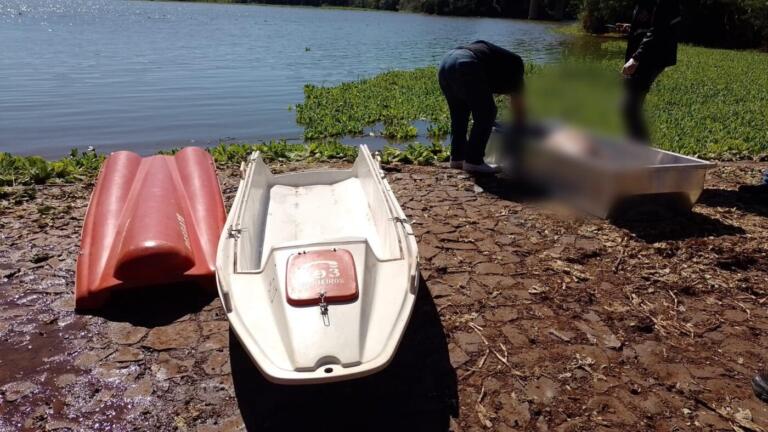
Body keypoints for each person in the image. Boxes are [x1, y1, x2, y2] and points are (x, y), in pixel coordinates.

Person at [438, 41, 526, 174]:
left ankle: (457, 158)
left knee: (459, 113)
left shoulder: (503, 64)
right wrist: (520, 126)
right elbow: (518, 105)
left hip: (446, 62)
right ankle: (474, 161)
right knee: (487, 112)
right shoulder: (517, 70)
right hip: (466, 63)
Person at [616, 0, 682, 143]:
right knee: (629, 103)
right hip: (647, 54)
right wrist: (633, 27)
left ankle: (640, 145)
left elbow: (659, 30)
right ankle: (635, 143)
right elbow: (650, 24)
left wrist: (635, 58)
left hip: (653, 56)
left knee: (629, 105)